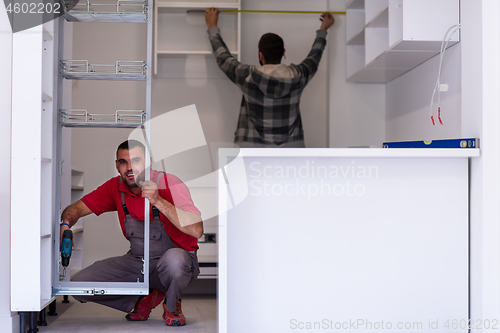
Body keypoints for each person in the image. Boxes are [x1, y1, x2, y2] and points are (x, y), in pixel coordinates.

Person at [59, 139, 203, 326]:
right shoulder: (114, 188)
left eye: (136, 160)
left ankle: (172, 306)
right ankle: (144, 299)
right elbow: (75, 209)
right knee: (79, 286)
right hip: (139, 261)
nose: (129, 167)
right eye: (123, 162)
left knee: (175, 261)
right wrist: (65, 224)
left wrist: (158, 201)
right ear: (117, 166)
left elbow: (197, 230)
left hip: (178, 262)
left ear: (148, 162)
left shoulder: (169, 182)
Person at [205, 8, 335, 148]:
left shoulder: (247, 76)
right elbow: (314, 57)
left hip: (252, 153)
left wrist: (212, 26)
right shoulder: (299, 75)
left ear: (260, 55)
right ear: (283, 52)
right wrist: (323, 29)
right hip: (290, 154)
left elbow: (223, 58)